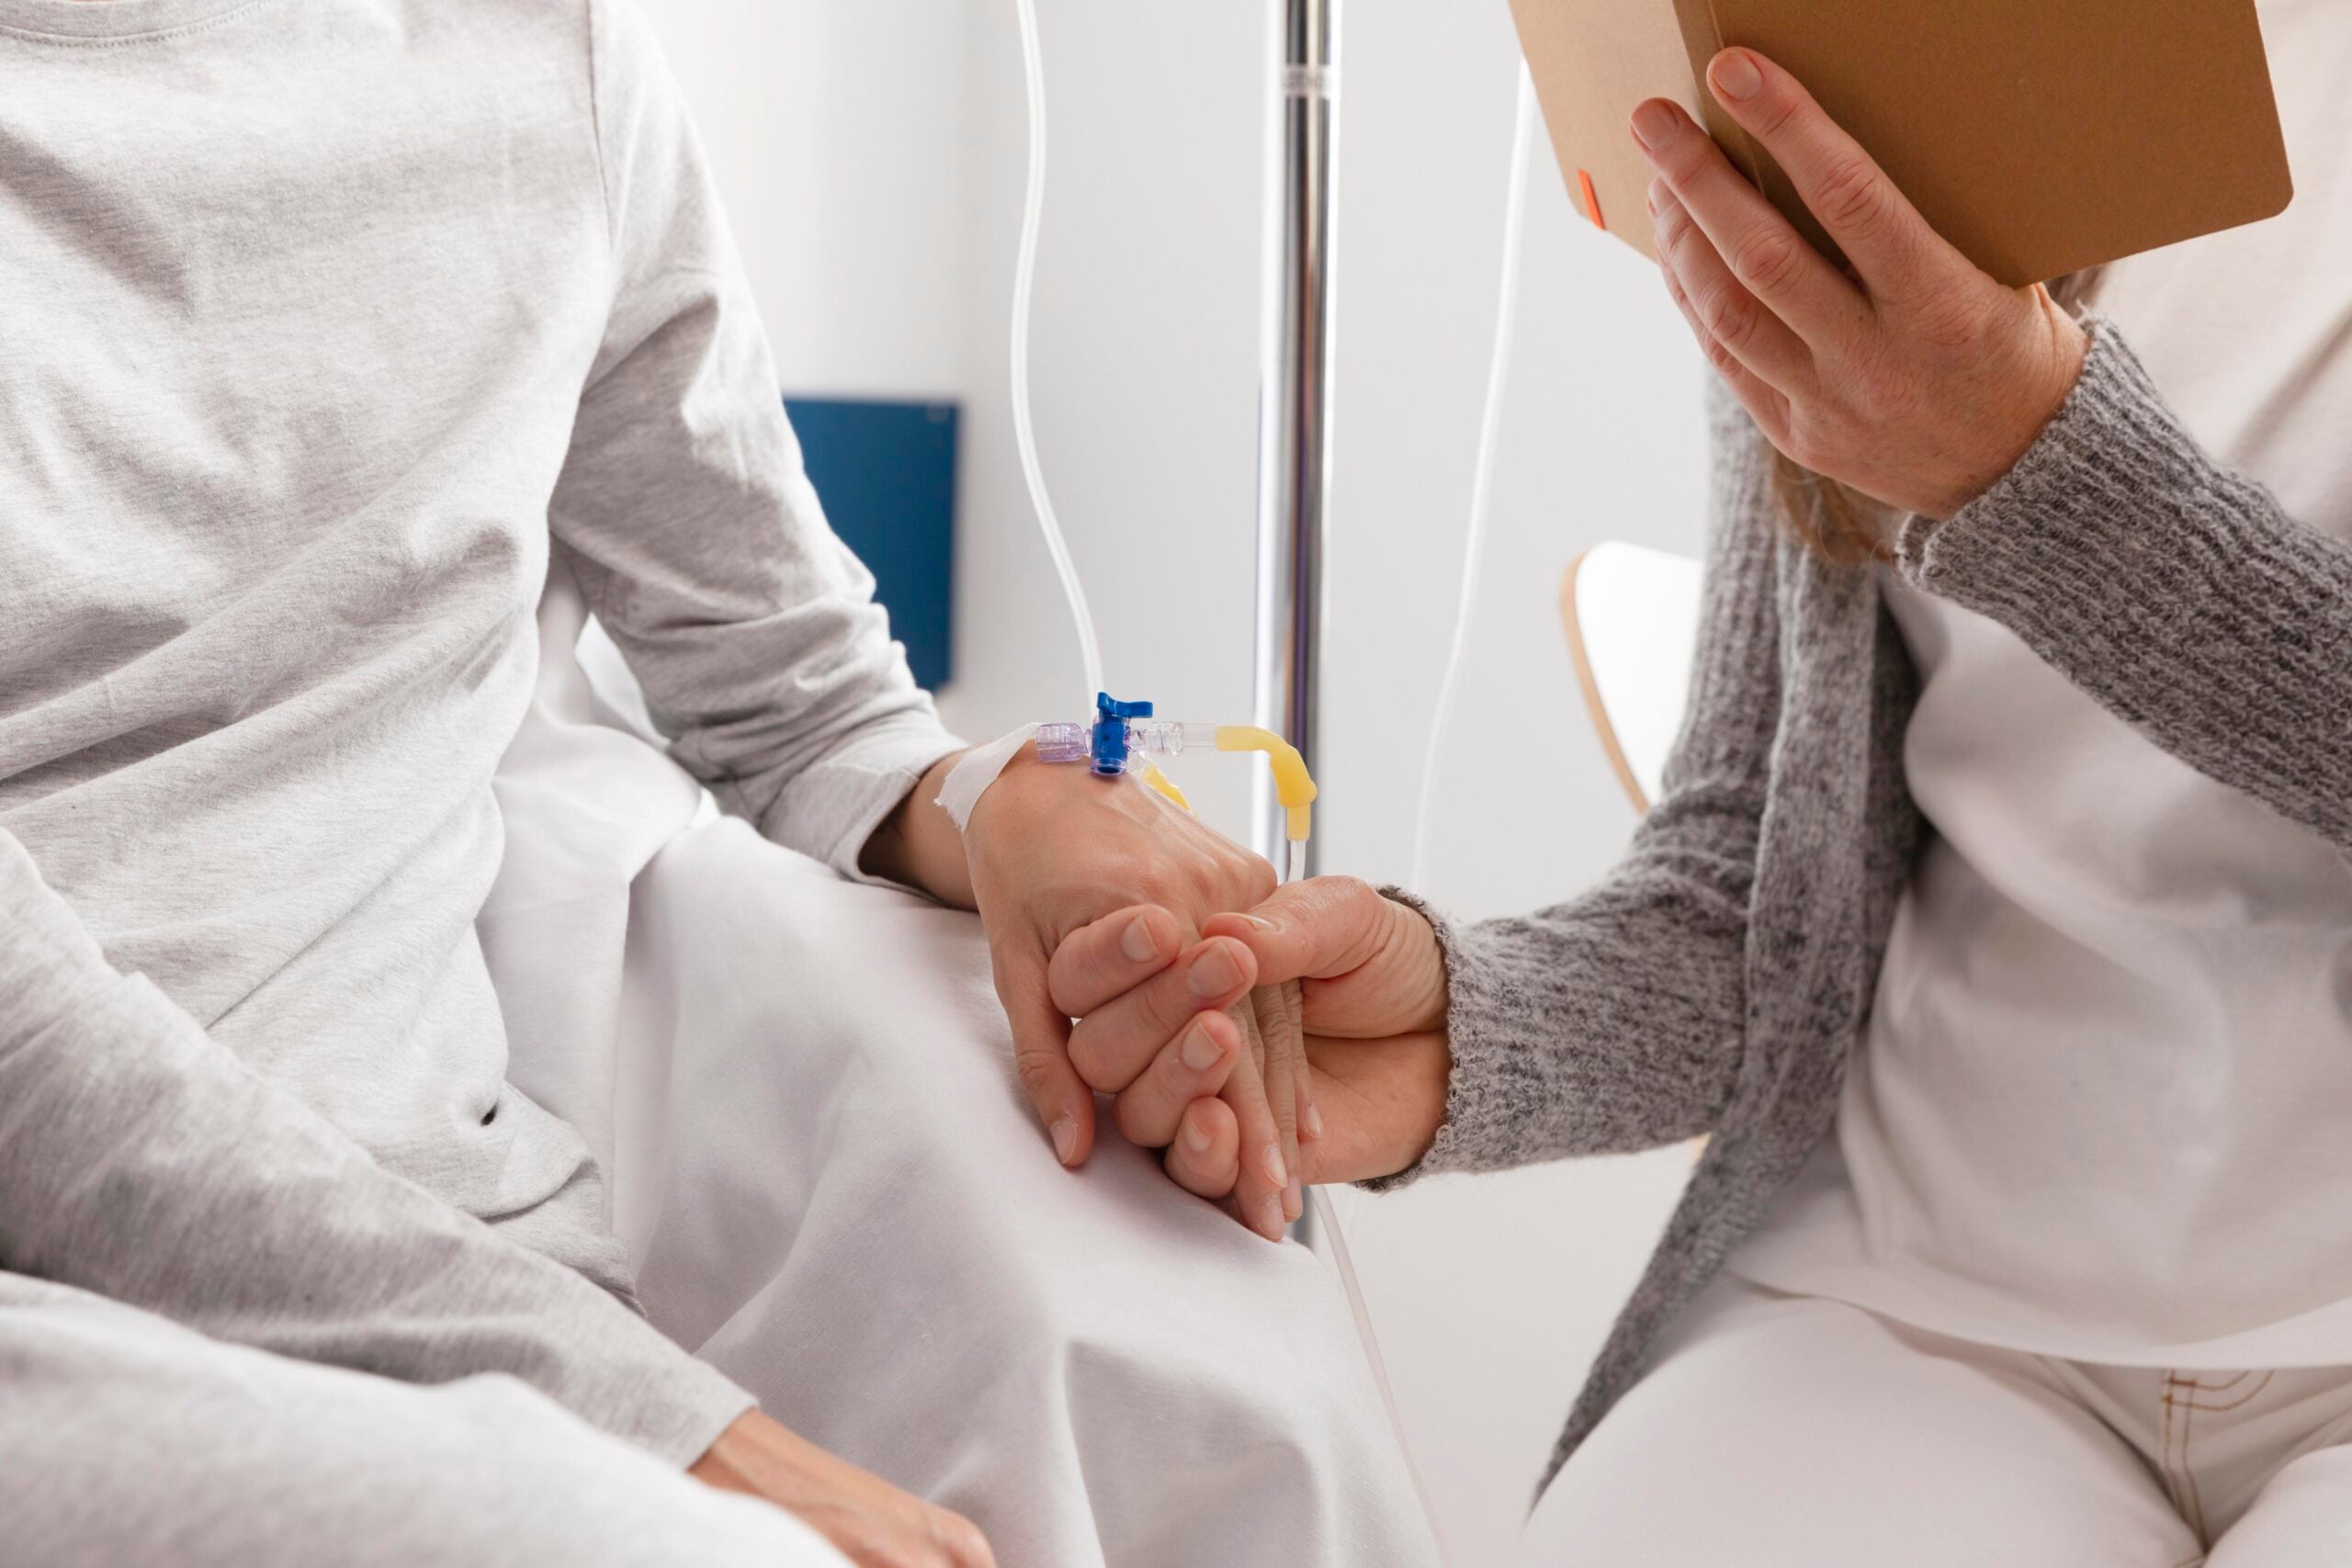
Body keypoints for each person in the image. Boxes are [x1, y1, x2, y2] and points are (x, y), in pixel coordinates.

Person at [0, 1, 1382, 1562]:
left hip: (470, 1270)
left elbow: (787, 682)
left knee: (1249, 1416)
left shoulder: (542, 63)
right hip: (72, 1311)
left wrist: (1007, 803)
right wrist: (671, 1432)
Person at [1071, 16, 2352, 1563]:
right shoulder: (1916, 66)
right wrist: (1454, 1033)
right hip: (1919, 1287)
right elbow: (1757, 896)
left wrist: (2031, 472)